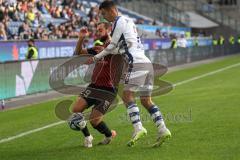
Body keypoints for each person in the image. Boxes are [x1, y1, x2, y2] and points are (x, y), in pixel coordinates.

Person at [86, 0, 171, 147]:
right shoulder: (128, 21)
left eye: (104, 13)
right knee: (146, 100)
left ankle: (138, 128)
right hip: (146, 62)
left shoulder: (118, 22)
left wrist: (96, 57)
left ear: (112, 10)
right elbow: (120, 47)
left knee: (127, 95)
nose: (104, 17)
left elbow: (112, 47)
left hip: (136, 63)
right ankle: (163, 129)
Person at [69, 21, 125, 148]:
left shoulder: (115, 47)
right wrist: (81, 39)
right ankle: (88, 137)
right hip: (94, 86)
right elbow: (78, 53)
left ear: (108, 30)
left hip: (108, 90)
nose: (98, 32)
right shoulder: (98, 48)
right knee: (76, 110)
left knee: (94, 120)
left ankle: (109, 134)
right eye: (97, 30)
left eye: (100, 30)